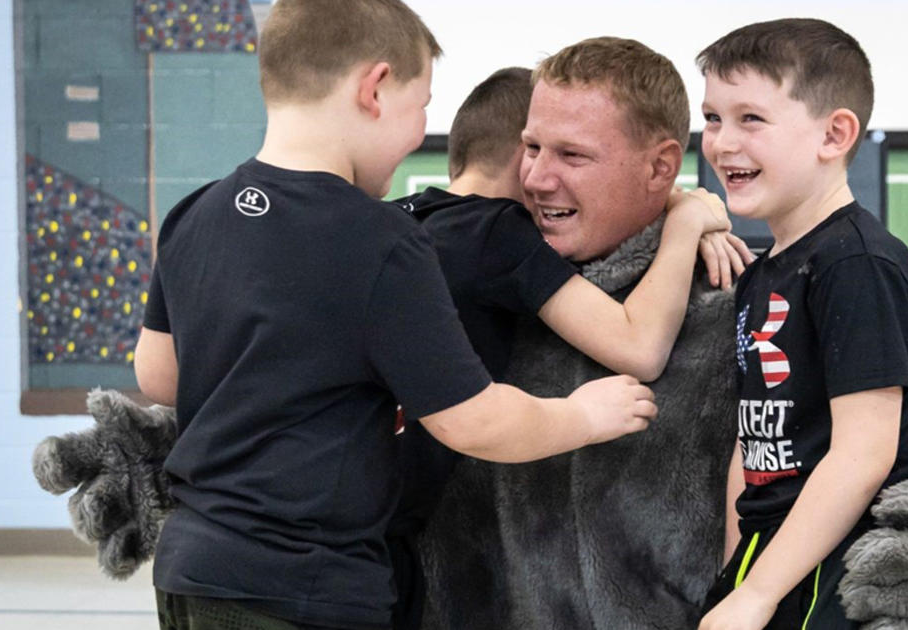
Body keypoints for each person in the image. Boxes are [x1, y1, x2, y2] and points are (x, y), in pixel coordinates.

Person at [131, 2, 660, 629]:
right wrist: (581, 415)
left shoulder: (195, 213)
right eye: (423, 107)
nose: (421, 133)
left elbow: (159, 375)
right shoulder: (380, 241)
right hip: (304, 586)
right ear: (374, 88)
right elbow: (472, 421)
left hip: (190, 569)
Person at [385, 66, 748, 630]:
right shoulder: (498, 234)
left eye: (572, 156)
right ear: (515, 153)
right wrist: (685, 220)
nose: (539, 179)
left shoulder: (400, 222)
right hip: (371, 551)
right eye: (533, 149)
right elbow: (640, 346)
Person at [694, 19, 908, 630]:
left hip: (839, 569)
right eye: (713, 118)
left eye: (751, 119)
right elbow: (750, 445)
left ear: (834, 134)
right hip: (772, 555)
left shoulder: (856, 264)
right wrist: (737, 576)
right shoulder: (765, 272)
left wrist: (756, 597)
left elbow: (862, 455)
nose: (723, 143)